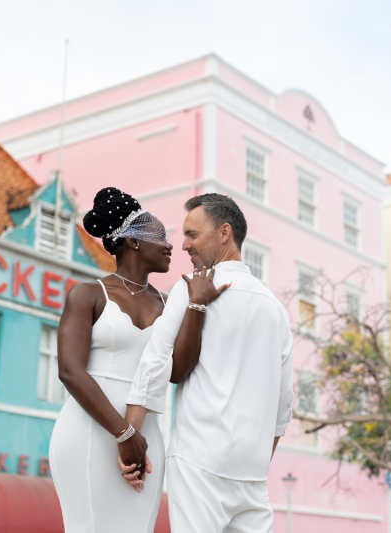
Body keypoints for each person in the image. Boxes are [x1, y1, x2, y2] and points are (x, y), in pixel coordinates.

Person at [49, 187, 225, 533]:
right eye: (160, 237)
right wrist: (124, 433)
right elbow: (70, 371)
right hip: (88, 432)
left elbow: (177, 371)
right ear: (133, 242)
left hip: (146, 438)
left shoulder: (170, 301)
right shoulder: (87, 294)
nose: (171, 245)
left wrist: (196, 305)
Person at [124, 193, 294, 533]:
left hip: (199, 459)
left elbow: (155, 362)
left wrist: (129, 437)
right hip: (252, 471)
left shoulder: (188, 289)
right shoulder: (275, 309)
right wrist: (258, 461)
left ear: (224, 232)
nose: (183, 245)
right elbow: (284, 402)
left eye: (191, 234)